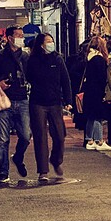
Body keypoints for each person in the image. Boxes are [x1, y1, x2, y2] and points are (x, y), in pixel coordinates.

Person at [0, 25, 31, 185]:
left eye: (22, 35)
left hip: (22, 100)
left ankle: (18, 157)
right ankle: (3, 172)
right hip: (4, 100)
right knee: (3, 139)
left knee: (26, 135)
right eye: (18, 35)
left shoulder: (25, 56)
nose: (21, 38)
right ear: (9, 38)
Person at [27, 32, 71, 182]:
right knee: (40, 137)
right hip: (37, 102)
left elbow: (65, 80)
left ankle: (56, 160)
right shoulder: (33, 60)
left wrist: (68, 100)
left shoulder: (58, 59)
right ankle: (43, 171)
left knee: (59, 135)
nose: (50, 44)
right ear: (41, 44)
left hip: (55, 102)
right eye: (48, 41)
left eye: (52, 41)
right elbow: (29, 77)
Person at [80, 36, 111, 151]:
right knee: (98, 116)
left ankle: (89, 140)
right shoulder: (99, 59)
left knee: (91, 117)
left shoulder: (89, 58)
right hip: (97, 91)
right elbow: (102, 77)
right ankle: (99, 141)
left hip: (89, 91)